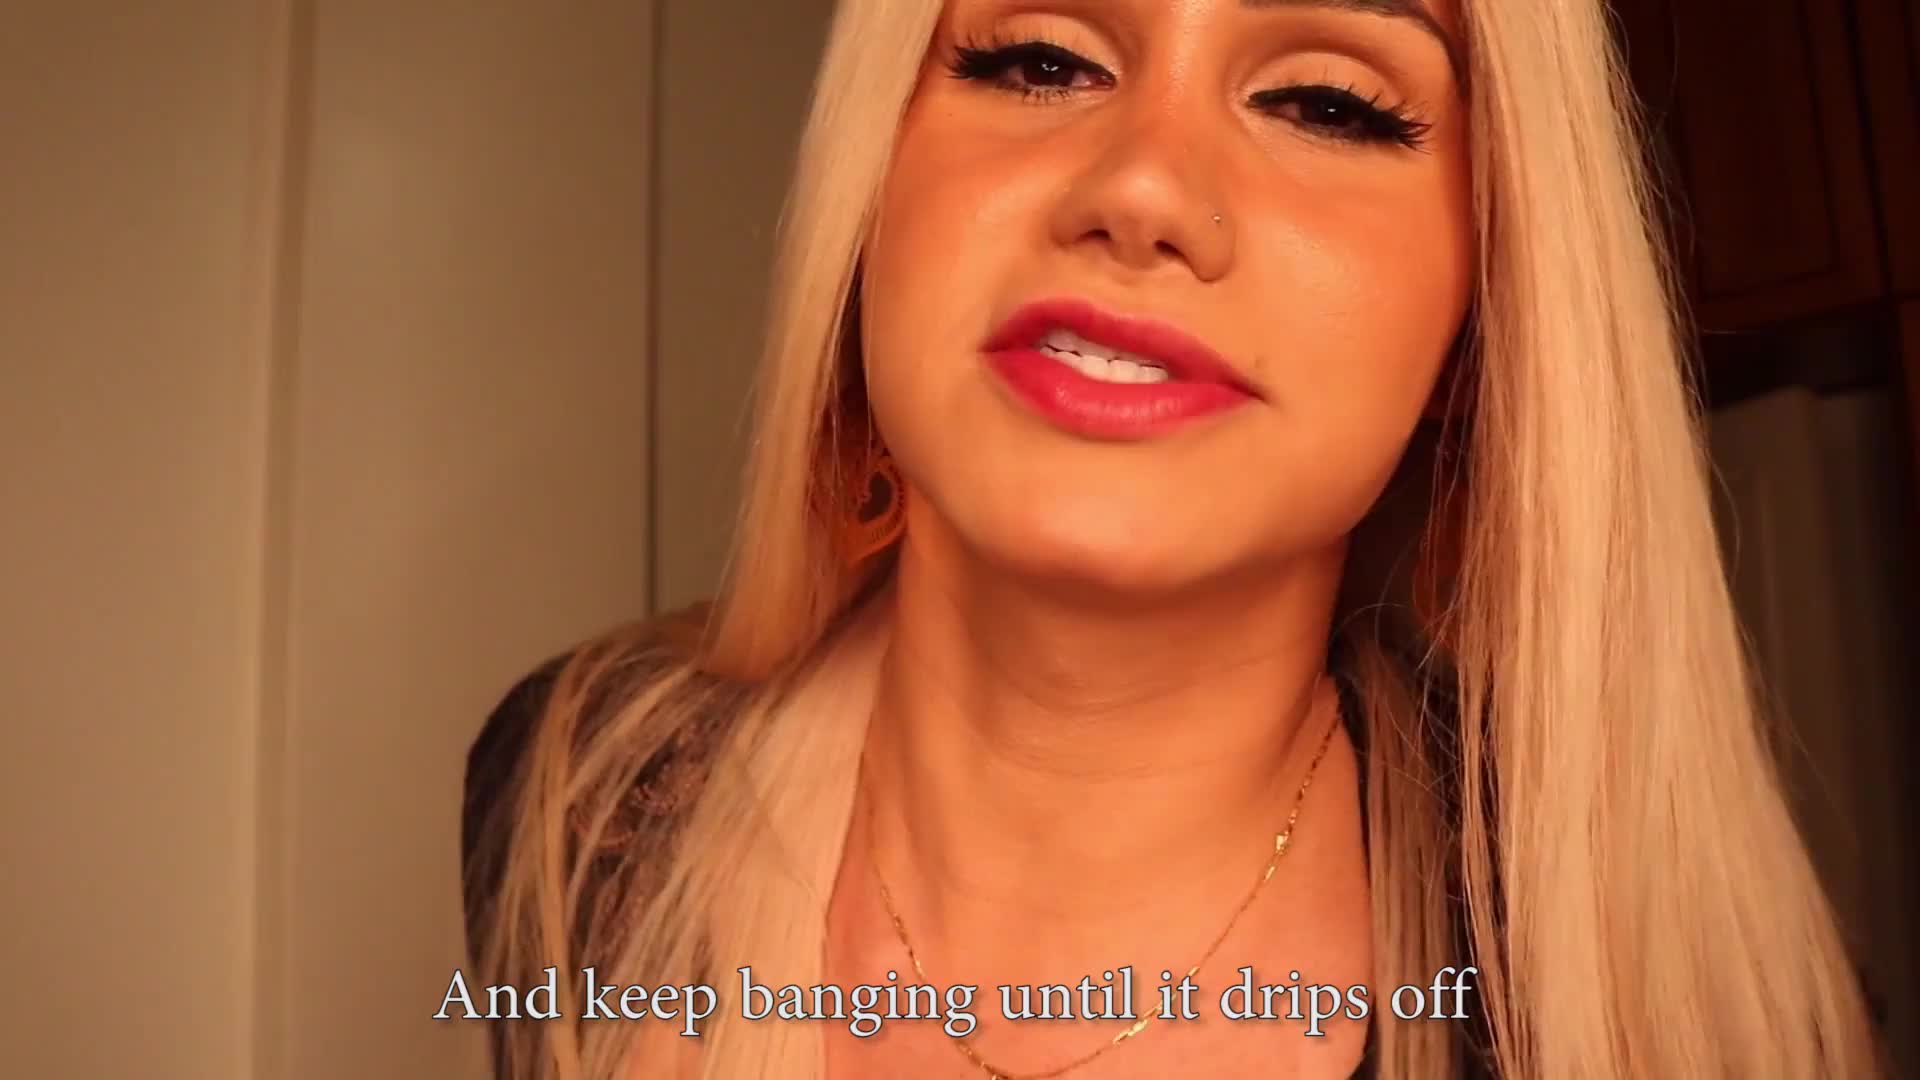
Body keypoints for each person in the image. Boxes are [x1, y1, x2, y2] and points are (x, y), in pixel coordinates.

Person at [461, 0, 1881, 1076]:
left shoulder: (1628, 992)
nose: (1140, 189)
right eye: (1041, 60)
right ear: (868, 185)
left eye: (1327, 102)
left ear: (1486, 303)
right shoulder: (582, 790)